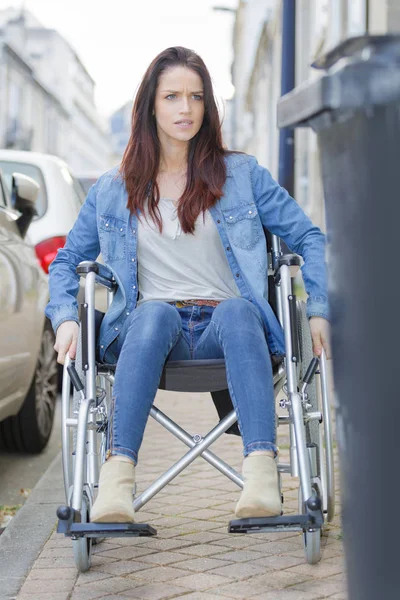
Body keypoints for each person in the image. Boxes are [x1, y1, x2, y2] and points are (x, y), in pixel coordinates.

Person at [46, 46, 331, 524]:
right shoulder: (113, 189)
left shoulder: (241, 175)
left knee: (239, 308)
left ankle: (262, 475)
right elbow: (68, 261)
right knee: (153, 311)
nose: (185, 109)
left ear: (208, 105)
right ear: (150, 107)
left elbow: (308, 235)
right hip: (151, 335)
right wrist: (64, 320)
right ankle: (116, 483)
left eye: (196, 97)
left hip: (230, 331)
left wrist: (318, 307)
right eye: (172, 96)